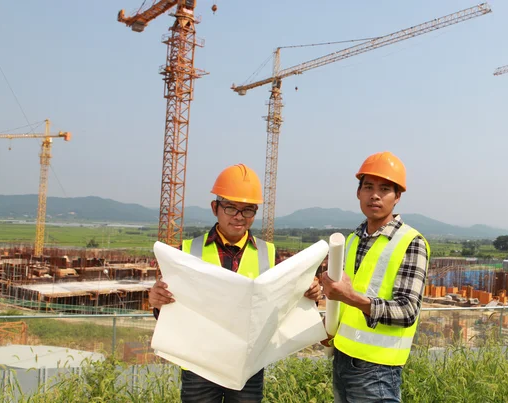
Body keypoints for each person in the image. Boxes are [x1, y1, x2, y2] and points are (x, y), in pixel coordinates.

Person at [149, 163, 322, 403]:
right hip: (199, 364)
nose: (239, 217)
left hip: (248, 366)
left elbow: (285, 302)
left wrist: (309, 291)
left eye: (248, 210)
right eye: (231, 208)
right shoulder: (186, 252)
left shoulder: (269, 255)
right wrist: (157, 302)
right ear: (215, 208)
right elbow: (170, 311)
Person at [321, 151, 430, 403]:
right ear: (358, 193)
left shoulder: (410, 243)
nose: (375, 195)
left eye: (385, 189)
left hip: (379, 368)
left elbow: (407, 311)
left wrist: (351, 298)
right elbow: (342, 296)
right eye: (368, 187)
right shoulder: (351, 240)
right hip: (342, 357)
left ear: (398, 196)